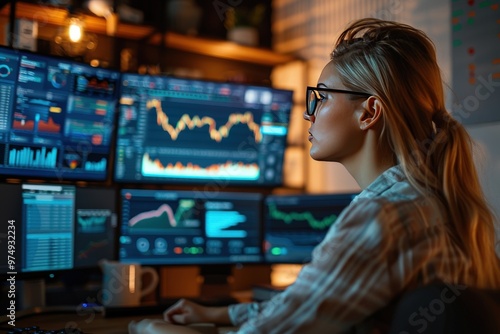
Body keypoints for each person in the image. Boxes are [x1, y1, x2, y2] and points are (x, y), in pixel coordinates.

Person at [128, 18, 500, 334]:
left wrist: (149, 328)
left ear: (369, 112)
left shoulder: (383, 216)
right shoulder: (434, 202)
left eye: (321, 97)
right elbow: (311, 304)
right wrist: (220, 313)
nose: (309, 114)